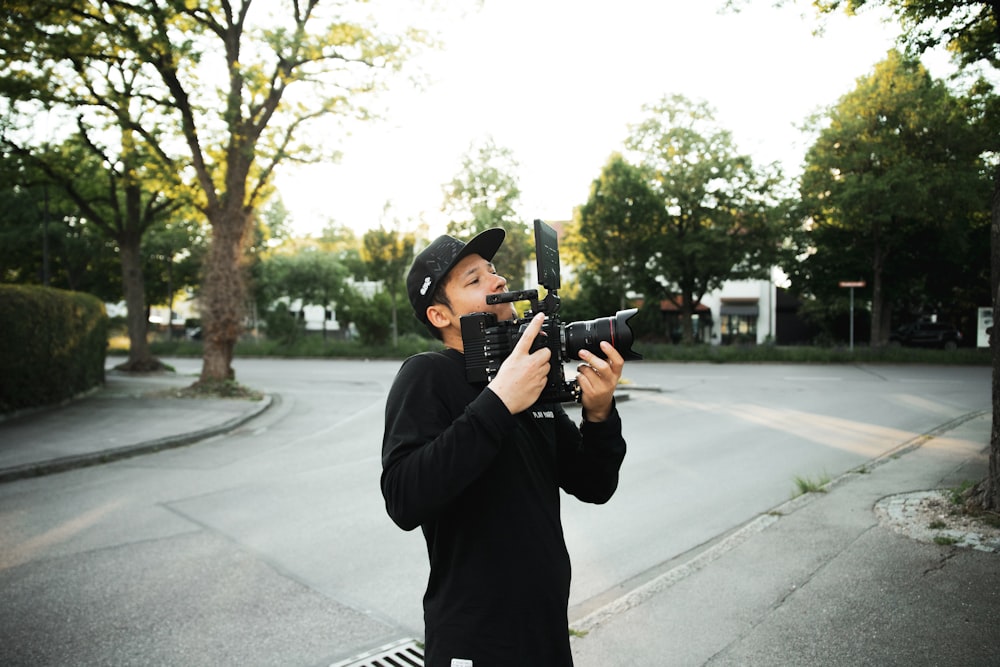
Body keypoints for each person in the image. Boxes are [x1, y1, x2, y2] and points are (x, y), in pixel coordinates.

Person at [381, 227, 628, 667]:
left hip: (545, 630)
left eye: (494, 272)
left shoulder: (529, 378)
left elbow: (594, 484)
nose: (497, 281)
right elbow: (403, 497)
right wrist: (498, 402)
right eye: (474, 280)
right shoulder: (427, 375)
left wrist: (598, 414)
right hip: (475, 639)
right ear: (440, 316)